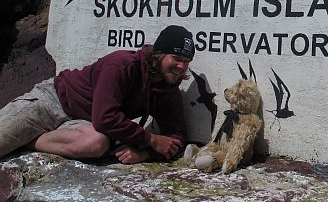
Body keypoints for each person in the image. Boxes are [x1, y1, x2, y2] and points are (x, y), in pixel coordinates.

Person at [0, 25, 195, 164]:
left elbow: (177, 136)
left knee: (97, 144)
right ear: (159, 55)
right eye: (176, 58)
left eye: (186, 61)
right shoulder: (122, 64)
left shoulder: (167, 88)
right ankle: (21, 134)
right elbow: (105, 118)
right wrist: (151, 140)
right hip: (53, 100)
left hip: (84, 121)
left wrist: (145, 154)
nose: (181, 67)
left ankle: (28, 140)